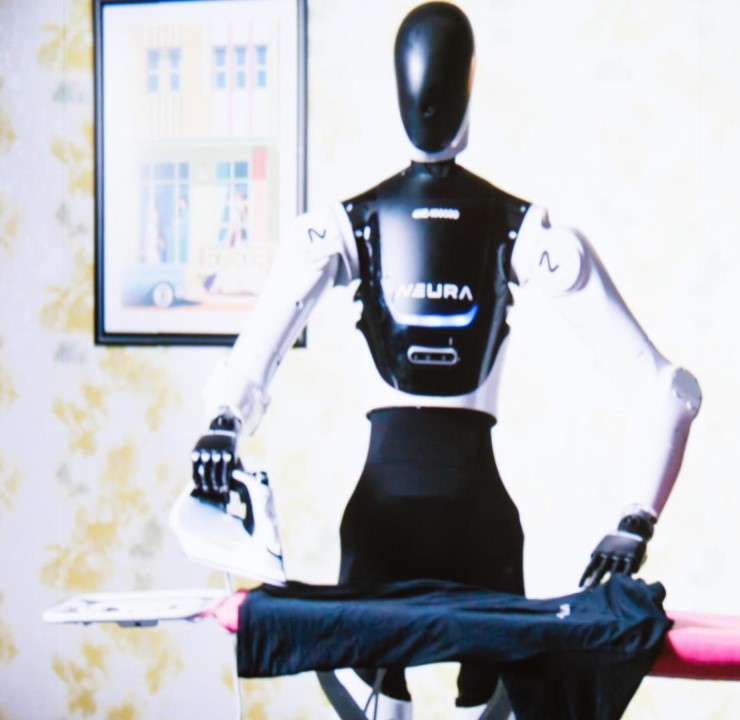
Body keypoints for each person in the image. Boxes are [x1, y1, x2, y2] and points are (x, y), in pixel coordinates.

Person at [189, 4, 701, 718]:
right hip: (475, 528)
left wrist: (221, 428)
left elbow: (668, 391)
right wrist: (635, 519)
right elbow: (670, 391)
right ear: (470, 82)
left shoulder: (344, 229)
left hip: (387, 527)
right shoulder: (521, 232)